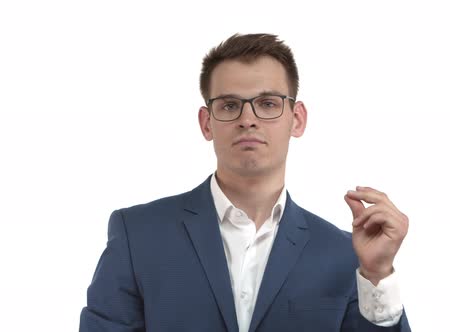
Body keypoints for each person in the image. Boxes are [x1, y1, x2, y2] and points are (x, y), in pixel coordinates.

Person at [79, 33, 411, 332]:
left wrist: (378, 276)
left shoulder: (345, 254)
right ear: (207, 123)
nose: (247, 120)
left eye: (267, 104)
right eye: (230, 105)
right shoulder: (138, 235)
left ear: (297, 120)